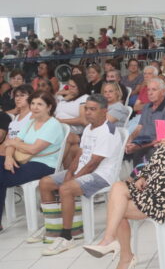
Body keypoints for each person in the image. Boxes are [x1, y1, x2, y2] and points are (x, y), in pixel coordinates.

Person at [82, 103, 165, 267]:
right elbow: (152, 165)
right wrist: (142, 177)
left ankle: (122, 254)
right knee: (118, 187)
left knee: (117, 210)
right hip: (151, 190)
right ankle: (110, 240)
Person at [36, 95, 120, 255]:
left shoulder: (108, 131)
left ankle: (67, 236)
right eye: (86, 109)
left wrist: (74, 178)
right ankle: (53, 228)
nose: (88, 113)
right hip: (86, 169)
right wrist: (69, 172)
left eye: (92, 109)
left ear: (104, 111)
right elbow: (81, 155)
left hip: (101, 175)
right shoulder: (89, 128)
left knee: (66, 189)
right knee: (45, 183)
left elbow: (94, 163)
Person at [0, 91, 65, 232]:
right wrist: (9, 157)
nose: (35, 107)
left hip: (45, 165)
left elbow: (33, 149)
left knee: (1, 179)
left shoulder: (53, 124)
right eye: (33, 103)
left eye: (40, 104)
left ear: (49, 107)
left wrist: (13, 144)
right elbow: (11, 144)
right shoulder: (31, 122)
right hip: (24, 161)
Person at [124, 78, 165, 164]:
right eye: (148, 90)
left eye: (154, 90)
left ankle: (138, 176)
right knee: (123, 148)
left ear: (162, 92)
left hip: (155, 146)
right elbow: (139, 127)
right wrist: (130, 140)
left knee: (146, 154)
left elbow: (160, 138)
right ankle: (134, 176)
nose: (150, 93)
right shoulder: (147, 107)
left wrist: (138, 147)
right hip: (141, 142)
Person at [55, 75, 90, 168]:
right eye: (69, 85)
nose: (70, 88)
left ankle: (54, 166)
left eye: (73, 86)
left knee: (66, 140)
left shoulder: (84, 98)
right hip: (59, 128)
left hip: (74, 132)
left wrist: (61, 121)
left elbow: (83, 120)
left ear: (81, 87)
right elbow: (57, 95)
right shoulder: (66, 98)